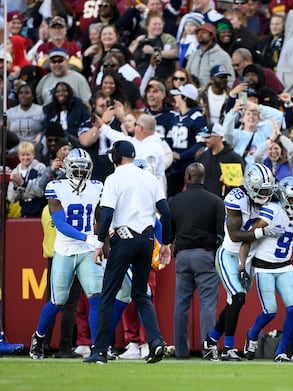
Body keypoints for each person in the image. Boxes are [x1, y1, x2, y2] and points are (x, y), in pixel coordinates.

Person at [84, 140, 172, 364]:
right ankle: (155, 342)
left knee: (108, 295)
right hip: (147, 239)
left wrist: (98, 244)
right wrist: (166, 244)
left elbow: (106, 214)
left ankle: (100, 351)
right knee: (141, 295)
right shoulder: (150, 178)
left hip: (124, 238)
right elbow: (167, 213)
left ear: (115, 157)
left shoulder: (114, 178)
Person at [202, 164, 284, 361]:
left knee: (235, 302)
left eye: (267, 191)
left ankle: (211, 341)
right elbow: (235, 234)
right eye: (260, 190)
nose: (264, 195)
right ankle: (228, 348)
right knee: (238, 297)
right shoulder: (236, 198)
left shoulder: (270, 197)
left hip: (249, 258)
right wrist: (262, 231)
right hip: (229, 255)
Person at [29, 149, 104, 360]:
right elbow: (61, 224)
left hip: (87, 251)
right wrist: (88, 238)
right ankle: (39, 336)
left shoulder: (97, 187)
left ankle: (98, 347)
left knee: (96, 296)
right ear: (67, 168)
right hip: (65, 249)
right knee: (58, 301)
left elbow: (99, 218)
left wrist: (102, 244)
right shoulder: (56, 187)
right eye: (77, 168)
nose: (80, 173)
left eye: (84, 168)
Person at [241, 176, 293, 362]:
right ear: (285, 197)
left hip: (285, 265)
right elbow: (252, 231)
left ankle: (282, 351)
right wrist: (264, 230)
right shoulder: (273, 209)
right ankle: (252, 333)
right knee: (270, 312)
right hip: (264, 267)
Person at [169, 162, 224, 360]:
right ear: (204, 177)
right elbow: (221, 233)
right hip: (205, 255)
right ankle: (208, 349)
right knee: (208, 304)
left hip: (182, 255)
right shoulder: (215, 201)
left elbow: (168, 232)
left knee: (181, 305)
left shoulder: (175, 201)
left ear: (187, 177)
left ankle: (181, 351)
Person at [196, 123, 244, 198]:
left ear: (218, 137)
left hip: (225, 203)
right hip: (205, 200)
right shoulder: (203, 156)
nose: (204, 140)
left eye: (208, 137)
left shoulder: (233, 158)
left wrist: (229, 182)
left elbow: (239, 187)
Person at [7, 141, 47, 218]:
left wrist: (23, 184)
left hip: (39, 208)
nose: (25, 158)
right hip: (24, 209)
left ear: (33, 155)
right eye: (23, 155)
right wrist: (16, 188)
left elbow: (40, 191)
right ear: (18, 156)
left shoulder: (40, 168)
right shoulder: (15, 172)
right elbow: (11, 198)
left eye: (28, 154)